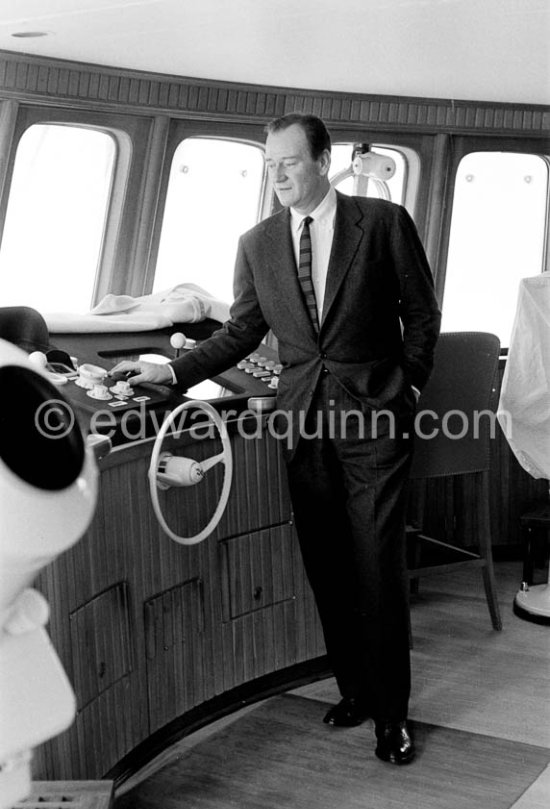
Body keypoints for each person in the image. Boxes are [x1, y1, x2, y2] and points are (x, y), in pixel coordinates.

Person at [112, 113, 441, 765]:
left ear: (323, 160)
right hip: (301, 419)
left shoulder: (380, 224)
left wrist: (407, 386)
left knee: (376, 567)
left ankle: (391, 715)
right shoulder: (257, 242)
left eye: (289, 162)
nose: (278, 175)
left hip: (375, 417)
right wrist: (169, 370)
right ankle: (355, 690)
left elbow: (422, 314)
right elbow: (239, 334)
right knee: (327, 564)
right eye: (270, 165)